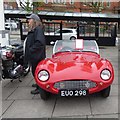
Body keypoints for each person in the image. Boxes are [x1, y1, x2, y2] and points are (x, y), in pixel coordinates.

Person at [24, 13, 46, 94]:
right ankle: (38, 84)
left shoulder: (38, 29)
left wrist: (30, 50)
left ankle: (40, 88)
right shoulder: (35, 30)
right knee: (35, 72)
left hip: (37, 56)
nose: (28, 21)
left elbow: (40, 43)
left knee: (36, 72)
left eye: (29, 19)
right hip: (34, 56)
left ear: (34, 21)